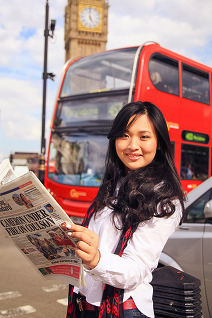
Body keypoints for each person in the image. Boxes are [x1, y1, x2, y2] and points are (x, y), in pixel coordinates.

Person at [66, 101, 185, 318]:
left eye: (144, 136)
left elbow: (136, 269)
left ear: (159, 142)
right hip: (84, 306)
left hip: (123, 311)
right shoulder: (113, 185)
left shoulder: (165, 201)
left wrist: (95, 259)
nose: (132, 145)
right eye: (124, 135)